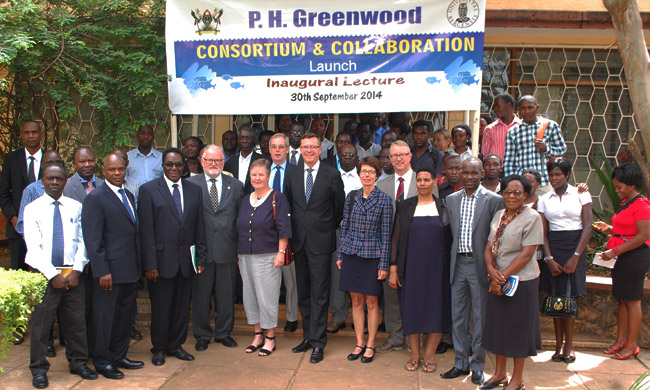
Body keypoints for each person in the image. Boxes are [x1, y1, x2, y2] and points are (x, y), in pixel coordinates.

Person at [25, 164, 98, 389]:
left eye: (59, 178)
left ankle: (78, 362)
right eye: (50, 178)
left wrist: (76, 270)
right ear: (43, 181)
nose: (55, 182)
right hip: (43, 273)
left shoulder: (75, 207)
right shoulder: (33, 209)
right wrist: (51, 275)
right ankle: (38, 369)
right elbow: (33, 248)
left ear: (66, 181)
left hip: (71, 272)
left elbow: (83, 241)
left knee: (76, 322)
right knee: (41, 325)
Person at [138, 148, 208, 366]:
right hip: (160, 262)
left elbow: (199, 227)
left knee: (180, 308)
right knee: (161, 307)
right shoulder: (149, 190)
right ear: (162, 166)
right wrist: (150, 264)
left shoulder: (194, 190)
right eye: (170, 164)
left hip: (186, 261)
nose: (175, 168)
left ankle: (176, 345)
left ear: (184, 166)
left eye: (178, 164)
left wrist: (201, 259)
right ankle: (158, 348)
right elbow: (146, 231)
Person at [442, 157, 503, 386]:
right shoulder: (451, 199)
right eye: (465, 172)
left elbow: (497, 236)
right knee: (458, 317)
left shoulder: (494, 201)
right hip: (457, 264)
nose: (468, 177)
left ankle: (478, 365)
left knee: (479, 317)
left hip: (480, 266)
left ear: (482, 174)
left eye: (473, 173)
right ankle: (460, 362)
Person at [285, 132, 345, 364]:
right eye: (305, 147)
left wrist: (324, 228)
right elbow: (290, 205)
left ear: (320, 149)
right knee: (304, 293)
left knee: (320, 294)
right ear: (300, 149)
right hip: (299, 242)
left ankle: (319, 343)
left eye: (313, 147)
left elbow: (338, 209)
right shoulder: (292, 173)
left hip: (321, 242)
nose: (309, 150)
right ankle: (308, 337)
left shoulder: (332, 174)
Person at [82, 153, 143, 380]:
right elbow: (93, 240)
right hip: (109, 273)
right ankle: (102, 360)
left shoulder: (128, 194)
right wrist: (102, 270)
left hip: (130, 270)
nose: (117, 173)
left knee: (124, 318)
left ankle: (119, 356)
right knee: (105, 319)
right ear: (103, 170)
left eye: (121, 169)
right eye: (112, 170)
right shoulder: (95, 198)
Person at [482, 175, 544, 390]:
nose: (511, 196)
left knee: (518, 330)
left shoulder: (532, 217)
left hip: (521, 281)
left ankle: (517, 379)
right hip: (497, 279)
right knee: (499, 328)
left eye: (517, 192)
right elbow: (489, 246)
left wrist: (503, 275)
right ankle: (499, 374)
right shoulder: (499, 214)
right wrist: (492, 270)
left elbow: (527, 254)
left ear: (525, 195)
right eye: (507, 191)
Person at [389, 166, 451, 373]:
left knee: (435, 310)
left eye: (427, 179)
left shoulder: (444, 206)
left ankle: (430, 356)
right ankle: (415, 355)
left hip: (437, 270)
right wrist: (394, 268)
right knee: (412, 310)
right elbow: (395, 239)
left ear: (435, 182)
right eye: (419, 180)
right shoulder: (405, 206)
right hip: (411, 268)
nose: (423, 183)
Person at [337, 157, 392, 364]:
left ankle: (370, 344)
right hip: (351, 254)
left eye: (371, 171)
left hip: (373, 256)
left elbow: (386, 235)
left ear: (377, 175)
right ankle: (359, 342)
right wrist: (341, 254)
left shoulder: (385, 200)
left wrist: (384, 264)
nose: (366, 175)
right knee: (356, 301)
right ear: (359, 174)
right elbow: (346, 228)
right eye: (363, 171)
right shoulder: (351, 197)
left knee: (371, 301)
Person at [188, 145, 243, 351]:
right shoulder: (190, 185)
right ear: (202, 161)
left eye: (218, 161)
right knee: (201, 296)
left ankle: (223, 333)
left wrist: (239, 250)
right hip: (201, 252)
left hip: (227, 250)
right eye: (209, 160)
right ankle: (202, 335)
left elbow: (240, 219)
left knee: (226, 295)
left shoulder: (236, 185)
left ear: (223, 163)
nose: (213, 164)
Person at [537, 157, 592, 364]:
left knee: (570, 298)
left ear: (567, 175)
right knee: (555, 297)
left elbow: (587, 227)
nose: (554, 178)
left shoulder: (581, 193)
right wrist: (549, 259)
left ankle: (569, 345)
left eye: (558, 174)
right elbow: (542, 232)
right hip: (553, 247)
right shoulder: (544, 198)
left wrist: (576, 257)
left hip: (575, 245)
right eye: (551, 174)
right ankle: (558, 345)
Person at [595, 163, 650, 361]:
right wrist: (609, 229)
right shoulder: (627, 203)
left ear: (632, 185)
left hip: (635, 256)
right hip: (622, 255)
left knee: (633, 300)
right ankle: (621, 340)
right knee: (622, 298)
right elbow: (628, 229)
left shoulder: (641, 204)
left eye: (619, 187)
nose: (617, 190)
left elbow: (644, 235)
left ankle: (632, 344)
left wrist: (615, 250)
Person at [237, 159, 292, 356]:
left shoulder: (278, 198)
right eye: (254, 175)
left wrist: (281, 252)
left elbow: (284, 229)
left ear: (268, 176)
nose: (257, 178)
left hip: (269, 256)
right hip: (245, 255)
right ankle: (257, 334)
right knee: (250, 297)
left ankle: (270, 337)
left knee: (267, 297)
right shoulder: (245, 200)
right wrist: (239, 253)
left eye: (261, 174)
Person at [375, 140, 417, 353]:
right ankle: (395, 336)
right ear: (389, 159)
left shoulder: (424, 181)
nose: (399, 159)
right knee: (390, 294)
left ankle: (413, 337)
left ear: (410, 156)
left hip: (416, 248)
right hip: (388, 249)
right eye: (394, 155)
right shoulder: (381, 185)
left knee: (413, 294)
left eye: (403, 154)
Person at [0, 121, 43, 272]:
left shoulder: (50, 159)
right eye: (27, 132)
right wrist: (13, 218)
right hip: (17, 227)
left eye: (34, 132)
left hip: (45, 227)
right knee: (19, 271)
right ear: (22, 135)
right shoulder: (11, 159)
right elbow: (3, 193)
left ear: (41, 134)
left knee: (44, 272)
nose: (31, 135)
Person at [327, 143, 361, 334]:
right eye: (344, 154)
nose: (347, 157)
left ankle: (360, 318)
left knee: (360, 275)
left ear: (357, 158)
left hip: (361, 234)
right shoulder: (331, 175)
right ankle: (338, 316)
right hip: (337, 231)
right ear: (338, 156)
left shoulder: (364, 175)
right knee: (337, 275)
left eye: (352, 154)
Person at [503, 95, 567, 194]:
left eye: (530, 107)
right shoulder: (514, 131)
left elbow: (562, 150)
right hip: (523, 184)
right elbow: (509, 162)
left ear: (537, 108)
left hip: (545, 182)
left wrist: (546, 148)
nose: (527, 111)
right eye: (523, 108)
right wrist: (513, 182)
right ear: (519, 110)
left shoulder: (550, 126)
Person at [267, 133, 299, 333]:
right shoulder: (261, 171)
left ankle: (292, 317)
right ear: (269, 149)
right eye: (274, 146)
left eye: (281, 146)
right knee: (267, 280)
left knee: (291, 281)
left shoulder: (296, 172)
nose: (277, 150)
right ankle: (267, 320)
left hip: (289, 234)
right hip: (265, 234)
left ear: (287, 149)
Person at [17, 152, 64, 236]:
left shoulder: (68, 186)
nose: (54, 165)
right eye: (49, 163)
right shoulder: (31, 190)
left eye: (57, 162)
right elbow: (22, 225)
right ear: (42, 165)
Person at [223, 126, 266, 194]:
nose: (244, 141)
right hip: (235, 202)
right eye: (242, 138)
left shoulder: (262, 161)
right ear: (238, 140)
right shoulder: (230, 163)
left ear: (254, 140)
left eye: (247, 138)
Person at [481, 93, 520, 160]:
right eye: (494, 107)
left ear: (508, 106)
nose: (495, 109)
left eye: (498, 106)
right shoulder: (490, 129)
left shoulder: (522, 127)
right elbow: (485, 155)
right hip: (496, 169)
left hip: (517, 169)